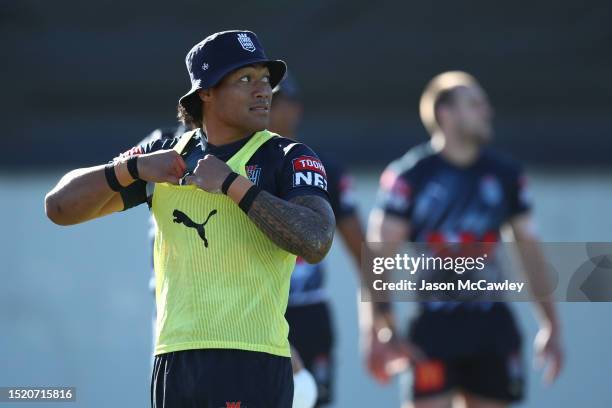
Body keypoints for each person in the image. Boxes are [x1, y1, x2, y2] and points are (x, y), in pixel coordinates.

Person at [44, 30, 335, 408]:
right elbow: (59, 208)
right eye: (245, 79)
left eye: (266, 80)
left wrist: (231, 184)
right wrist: (131, 168)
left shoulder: (286, 155)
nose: (264, 91)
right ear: (206, 93)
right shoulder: (163, 155)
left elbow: (316, 241)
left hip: (252, 360)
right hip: (174, 361)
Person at [365, 71, 564, 408]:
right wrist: (380, 331)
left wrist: (551, 325)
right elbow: (378, 255)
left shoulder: (506, 176)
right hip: (433, 328)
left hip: (492, 327)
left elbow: (529, 251)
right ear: (446, 113)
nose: (488, 112)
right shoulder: (410, 176)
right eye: (475, 103)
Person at [270, 73, 366, 407]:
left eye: (279, 101)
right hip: (253, 311)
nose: (268, 108)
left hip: (308, 313)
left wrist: (380, 316)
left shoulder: (323, 168)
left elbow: (362, 249)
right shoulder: (234, 167)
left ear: (296, 108)